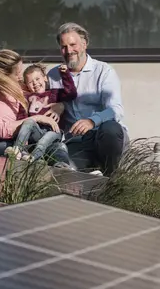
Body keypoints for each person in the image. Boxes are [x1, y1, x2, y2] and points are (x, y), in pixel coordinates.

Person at [48, 22, 128, 176]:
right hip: (76, 142)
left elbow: (116, 110)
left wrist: (92, 121)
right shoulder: (53, 75)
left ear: (84, 44)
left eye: (73, 44)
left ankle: (112, 178)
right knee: (66, 173)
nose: (69, 51)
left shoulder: (103, 71)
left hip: (103, 136)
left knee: (110, 129)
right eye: (64, 46)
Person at [0, 49, 71, 167]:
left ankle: (64, 173)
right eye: (17, 73)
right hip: (3, 142)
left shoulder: (23, 87)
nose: (21, 77)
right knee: (9, 150)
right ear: (3, 76)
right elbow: (1, 130)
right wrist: (37, 118)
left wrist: (60, 105)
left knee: (58, 147)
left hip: (30, 139)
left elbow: (50, 96)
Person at [6, 63, 77, 168]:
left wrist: (65, 74)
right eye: (30, 82)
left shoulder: (54, 93)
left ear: (45, 78)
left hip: (54, 131)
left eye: (37, 79)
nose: (35, 83)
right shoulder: (27, 99)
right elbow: (22, 118)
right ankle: (17, 150)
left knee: (44, 140)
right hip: (37, 132)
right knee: (28, 122)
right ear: (26, 85)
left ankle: (33, 158)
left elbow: (71, 93)